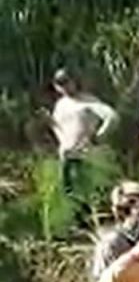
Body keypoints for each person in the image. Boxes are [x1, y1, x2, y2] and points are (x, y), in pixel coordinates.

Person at [50, 68, 117, 216]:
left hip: (86, 154)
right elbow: (56, 126)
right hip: (67, 154)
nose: (64, 87)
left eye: (67, 82)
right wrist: (63, 143)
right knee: (70, 193)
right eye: (60, 84)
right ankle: (79, 221)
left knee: (89, 191)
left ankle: (96, 218)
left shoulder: (88, 101)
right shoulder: (60, 105)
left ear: (74, 82)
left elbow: (112, 117)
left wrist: (99, 135)